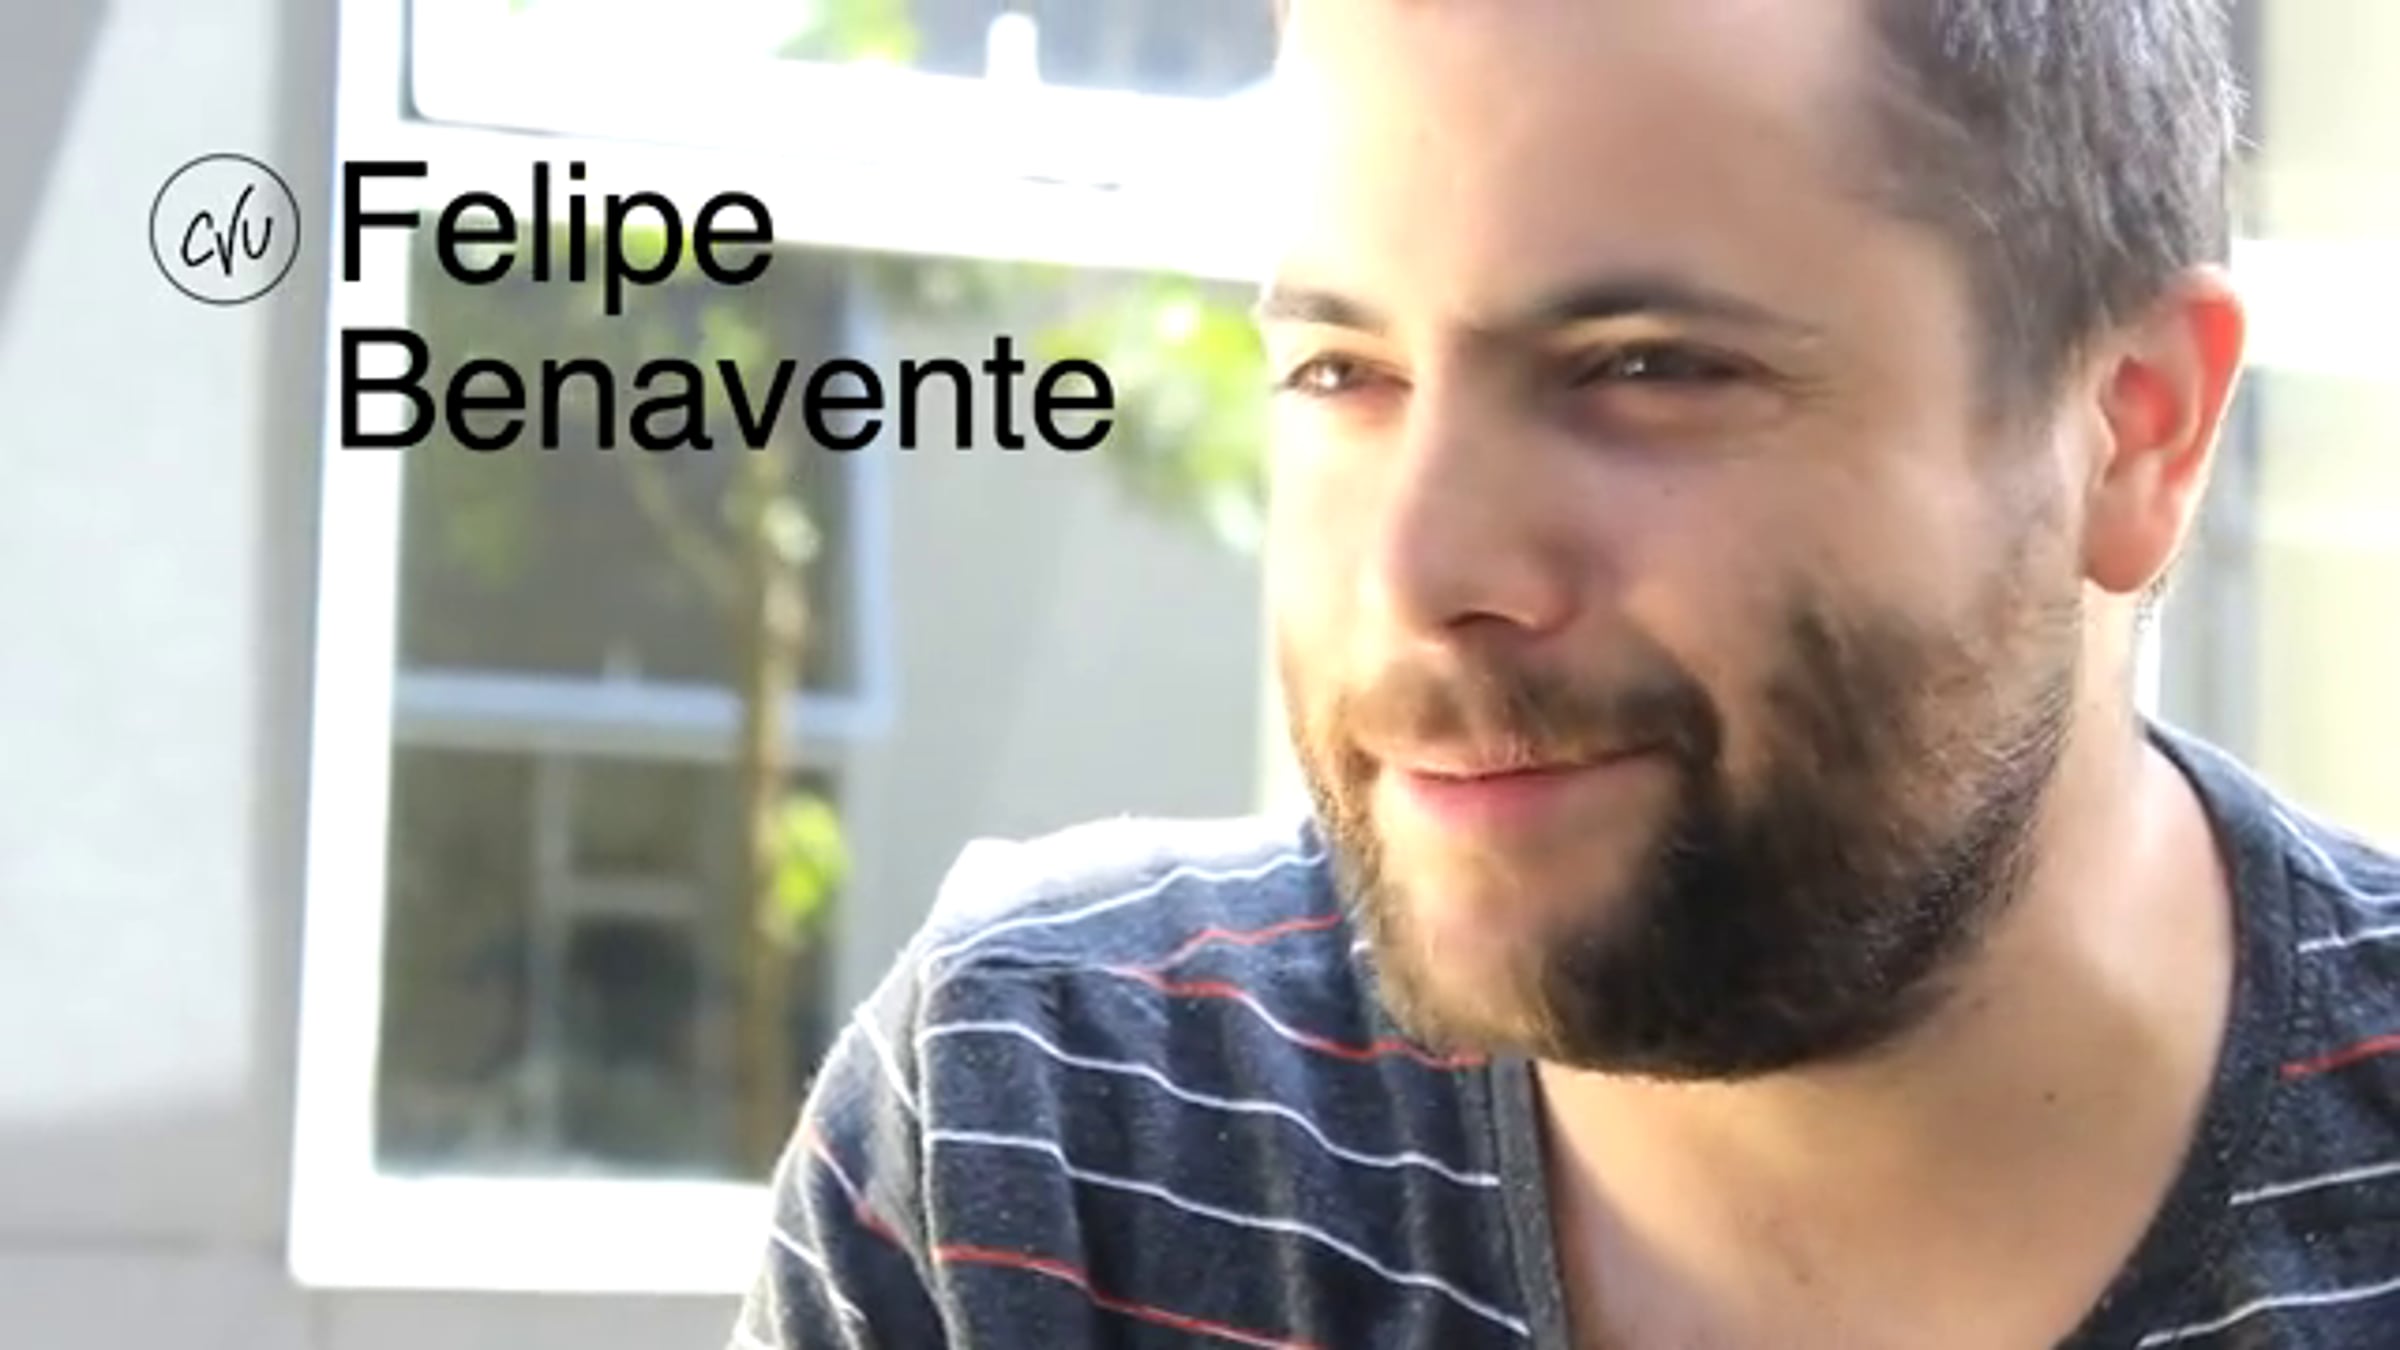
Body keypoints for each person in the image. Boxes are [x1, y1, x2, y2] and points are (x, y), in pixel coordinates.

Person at [731, 1, 2400, 1345]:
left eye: (1645, 369)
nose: (1420, 573)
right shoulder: (1047, 1144)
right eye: (1341, 371)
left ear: (2133, 429)